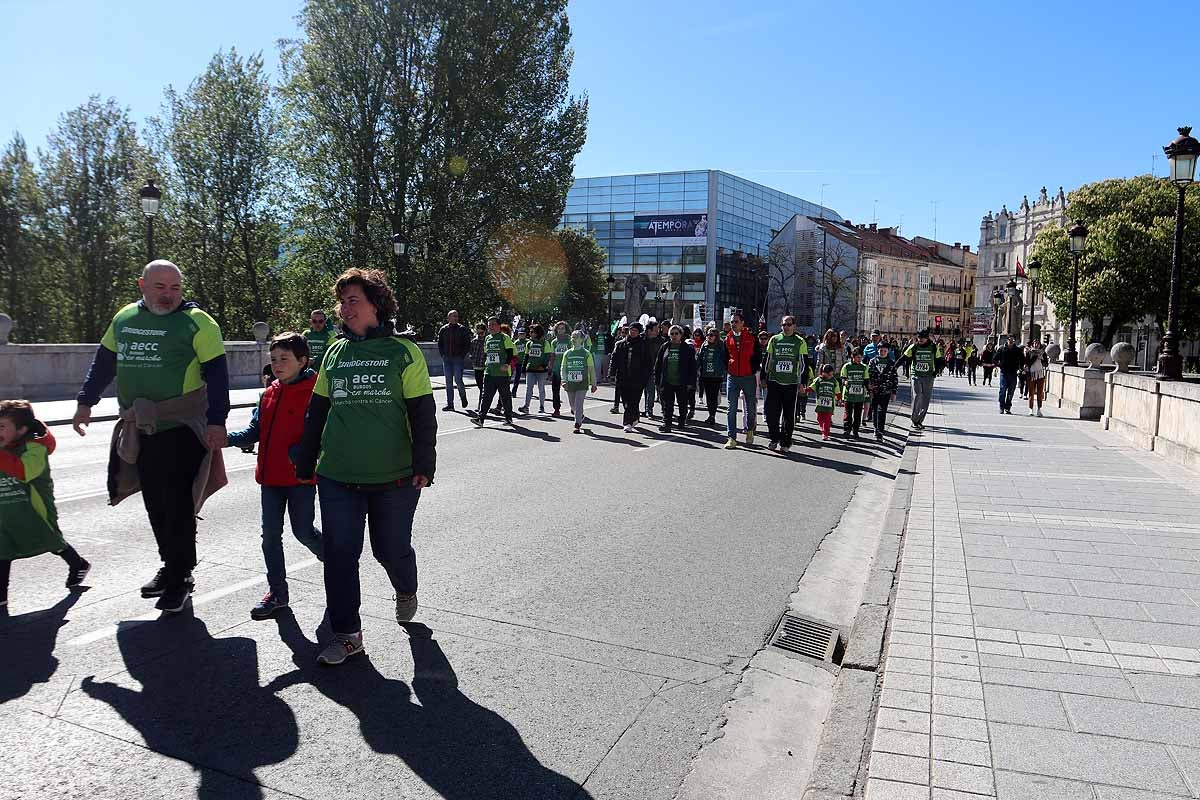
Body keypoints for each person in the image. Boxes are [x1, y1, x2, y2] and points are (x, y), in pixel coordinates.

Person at [291, 267, 436, 666]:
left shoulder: (403, 352)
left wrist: (425, 463)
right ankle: (347, 634)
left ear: (376, 304)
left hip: (395, 477)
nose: (345, 308)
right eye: (342, 301)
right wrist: (306, 460)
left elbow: (422, 413)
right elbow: (317, 411)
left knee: (389, 549)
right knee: (339, 554)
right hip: (337, 474)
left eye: (353, 300)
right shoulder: (335, 352)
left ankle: (405, 588)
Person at [74, 260, 229, 614]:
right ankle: (170, 565)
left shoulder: (198, 323)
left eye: (175, 288)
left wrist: (217, 422)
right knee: (154, 502)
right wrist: (86, 401)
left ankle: (180, 577)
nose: (168, 295)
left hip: (181, 429)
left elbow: (218, 376)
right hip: (140, 429)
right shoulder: (125, 318)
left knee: (176, 504)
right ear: (142, 284)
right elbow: (104, 362)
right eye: (160, 287)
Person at [226, 332, 325, 620]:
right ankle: (277, 593)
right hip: (269, 479)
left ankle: (335, 564)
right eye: (273, 359)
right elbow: (253, 432)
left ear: (302, 361)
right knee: (270, 537)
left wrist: (304, 452)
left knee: (303, 532)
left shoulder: (316, 392)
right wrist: (223, 439)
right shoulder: (269, 392)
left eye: (284, 359)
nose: (277, 364)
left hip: (300, 480)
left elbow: (326, 434)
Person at [0, 400, 91, 609]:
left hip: (33, 510)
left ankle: (78, 563)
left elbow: (24, 471)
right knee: (2, 550)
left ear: (21, 429)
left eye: (2, 427)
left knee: (51, 541)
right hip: (5, 510)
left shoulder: (35, 448)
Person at [763, 316, 806, 452]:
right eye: (783, 325)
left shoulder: (800, 342)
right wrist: (764, 377)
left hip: (791, 383)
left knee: (788, 414)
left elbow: (804, 363)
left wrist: (802, 382)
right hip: (774, 381)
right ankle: (774, 438)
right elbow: (768, 359)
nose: (786, 327)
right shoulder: (774, 340)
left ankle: (785, 442)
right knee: (771, 413)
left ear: (794, 326)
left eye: (789, 324)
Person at [723, 312, 762, 449]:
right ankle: (731, 437)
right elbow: (725, 356)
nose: (733, 324)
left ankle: (750, 429)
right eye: (732, 322)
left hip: (748, 377)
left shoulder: (751, 337)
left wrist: (753, 370)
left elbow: (758, 355)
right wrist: (728, 368)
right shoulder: (727, 338)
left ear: (742, 323)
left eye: (736, 321)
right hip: (732, 377)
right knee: (731, 408)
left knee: (751, 407)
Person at [474, 318, 517, 427]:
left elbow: (510, 353)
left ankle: (508, 418)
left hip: (502, 373)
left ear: (499, 326)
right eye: (489, 325)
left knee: (505, 396)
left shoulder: (504, 338)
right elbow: (486, 354)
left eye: (493, 324)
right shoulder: (487, 338)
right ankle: (481, 418)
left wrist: (506, 364)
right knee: (486, 396)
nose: (491, 327)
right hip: (489, 372)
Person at [610, 321, 652, 433]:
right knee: (626, 401)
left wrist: (646, 377)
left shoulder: (643, 345)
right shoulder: (620, 344)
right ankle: (631, 419)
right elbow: (614, 360)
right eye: (631, 330)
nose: (633, 332)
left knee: (634, 401)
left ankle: (629, 421)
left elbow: (648, 363)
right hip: (623, 378)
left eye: (636, 331)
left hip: (638, 379)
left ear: (639, 332)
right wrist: (612, 373)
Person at [654, 325, 697, 433]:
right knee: (667, 404)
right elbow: (658, 364)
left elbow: (693, 367)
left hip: (682, 381)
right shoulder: (665, 347)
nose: (674, 336)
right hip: (667, 380)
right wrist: (657, 380)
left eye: (676, 333)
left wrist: (691, 382)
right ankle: (667, 423)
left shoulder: (687, 349)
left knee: (682, 403)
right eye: (672, 333)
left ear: (681, 335)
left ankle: (682, 421)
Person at [902, 329, 940, 430]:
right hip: (916, 375)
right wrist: (893, 368)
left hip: (928, 376)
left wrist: (936, 372)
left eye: (922, 337)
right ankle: (914, 419)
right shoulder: (914, 347)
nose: (920, 339)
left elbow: (940, 360)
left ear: (927, 338)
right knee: (917, 395)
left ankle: (919, 420)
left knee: (926, 398)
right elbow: (903, 357)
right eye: (919, 337)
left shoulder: (933, 347)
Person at [560, 330, 597, 433]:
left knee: (578, 403)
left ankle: (577, 424)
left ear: (581, 340)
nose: (574, 339)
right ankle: (579, 415)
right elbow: (563, 368)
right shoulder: (567, 353)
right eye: (572, 337)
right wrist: (563, 380)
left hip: (582, 382)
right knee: (572, 405)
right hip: (570, 383)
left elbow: (591, 369)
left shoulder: (586, 353)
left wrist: (594, 383)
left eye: (576, 337)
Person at [436, 310, 471, 412]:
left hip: (457, 359)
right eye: (453, 316)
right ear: (448, 318)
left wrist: (461, 355)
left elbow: (467, 344)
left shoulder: (462, 329)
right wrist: (442, 355)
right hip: (446, 359)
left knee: (458, 380)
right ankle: (450, 404)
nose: (456, 318)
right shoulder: (443, 329)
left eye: (457, 316)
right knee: (448, 382)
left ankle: (463, 397)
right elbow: (440, 343)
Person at [867, 342, 899, 442]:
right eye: (881, 351)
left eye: (885, 351)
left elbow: (894, 378)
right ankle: (876, 429)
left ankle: (880, 431)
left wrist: (894, 392)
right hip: (874, 390)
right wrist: (869, 388)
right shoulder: (873, 361)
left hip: (886, 391)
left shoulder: (891, 363)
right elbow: (868, 375)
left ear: (888, 351)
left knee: (882, 411)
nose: (882, 352)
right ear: (878, 350)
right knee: (875, 410)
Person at [518, 323, 551, 415]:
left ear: (538, 333)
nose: (530, 333)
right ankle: (526, 406)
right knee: (529, 389)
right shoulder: (529, 343)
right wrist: (523, 368)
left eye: (532, 332)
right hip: (530, 369)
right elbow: (526, 356)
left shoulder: (545, 343)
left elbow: (547, 356)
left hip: (541, 370)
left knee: (541, 388)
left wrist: (543, 366)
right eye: (530, 332)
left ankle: (542, 407)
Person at [698, 327, 727, 426]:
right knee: (708, 396)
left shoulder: (721, 345)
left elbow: (725, 359)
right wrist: (695, 369)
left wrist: (724, 369)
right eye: (707, 335)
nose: (708, 337)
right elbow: (700, 357)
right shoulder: (704, 345)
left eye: (711, 335)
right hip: (706, 374)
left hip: (716, 375)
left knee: (713, 396)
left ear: (716, 336)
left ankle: (712, 416)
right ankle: (710, 415)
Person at [805, 363, 841, 441]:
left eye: (832, 374)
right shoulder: (818, 380)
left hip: (829, 405)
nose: (831, 376)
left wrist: (839, 397)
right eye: (829, 374)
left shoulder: (834, 381)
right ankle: (823, 429)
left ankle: (825, 434)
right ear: (823, 373)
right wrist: (805, 390)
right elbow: (812, 387)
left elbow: (837, 391)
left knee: (827, 420)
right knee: (819, 418)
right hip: (820, 404)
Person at [840, 347, 870, 439]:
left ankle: (855, 430)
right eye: (857, 357)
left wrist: (869, 390)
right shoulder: (847, 366)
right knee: (848, 413)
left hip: (859, 395)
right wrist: (845, 382)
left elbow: (866, 380)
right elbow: (843, 377)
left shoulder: (864, 367)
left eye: (860, 358)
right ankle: (846, 429)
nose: (859, 359)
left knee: (857, 414)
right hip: (848, 394)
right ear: (852, 357)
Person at [546, 321, 572, 418]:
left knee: (571, 389)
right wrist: (550, 370)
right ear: (556, 330)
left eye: (563, 328)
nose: (560, 330)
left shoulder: (570, 340)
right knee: (555, 390)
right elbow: (552, 357)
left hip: (568, 369)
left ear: (566, 329)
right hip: (557, 369)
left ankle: (574, 407)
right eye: (559, 328)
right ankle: (556, 409)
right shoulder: (554, 342)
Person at [642, 322, 666, 418]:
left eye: (658, 329)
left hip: (654, 369)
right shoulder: (641, 339)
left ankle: (649, 410)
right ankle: (645, 409)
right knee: (643, 391)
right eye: (655, 330)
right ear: (649, 330)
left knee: (651, 390)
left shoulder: (661, 341)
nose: (657, 331)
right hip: (641, 370)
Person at [996, 334, 1024, 415]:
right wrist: (999, 365)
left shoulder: (1017, 350)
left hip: (1013, 373)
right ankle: (1001, 406)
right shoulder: (1002, 349)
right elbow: (995, 359)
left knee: (1011, 391)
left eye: (1013, 340)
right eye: (1010, 340)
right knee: (1003, 390)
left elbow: (1022, 360)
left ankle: (1008, 407)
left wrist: (1021, 368)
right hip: (1004, 373)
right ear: (1007, 340)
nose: (1011, 341)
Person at [468, 321, 488, 412]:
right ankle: (482, 405)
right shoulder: (474, 340)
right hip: (476, 366)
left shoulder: (487, 340)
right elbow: (471, 351)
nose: (480, 334)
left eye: (482, 332)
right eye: (478, 332)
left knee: (483, 388)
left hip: (485, 367)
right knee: (480, 387)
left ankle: (481, 407)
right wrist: (472, 357)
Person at [1026, 339, 1049, 417]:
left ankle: (1039, 409)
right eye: (1035, 343)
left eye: (1038, 343)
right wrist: (1035, 356)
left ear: (1040, 345)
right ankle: (1030, 409)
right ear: (1032, 344)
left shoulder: (1043, 353)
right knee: (1031, 392)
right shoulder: (1029, 352)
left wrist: (1042, 360)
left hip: (1040, 374)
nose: (1036, 345)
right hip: (1031, 374)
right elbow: (1027, 363)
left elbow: (1046, 364)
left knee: (1040, 393)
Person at [510, 326, 528, 395]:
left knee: (528, 379)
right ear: (518, 334)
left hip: (526, 363)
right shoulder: (516, 343)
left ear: (525, 334)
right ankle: (514, 391)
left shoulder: (528, 342)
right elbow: (513, 353)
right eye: (520, 334)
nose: (521, 335)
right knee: (517, 378)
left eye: (523, 334)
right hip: (518, 363)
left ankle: (529, 392)